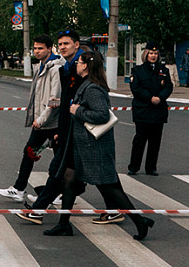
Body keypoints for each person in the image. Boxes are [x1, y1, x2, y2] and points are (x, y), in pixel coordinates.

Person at [43, 52, 155, 240]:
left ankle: (140, 221)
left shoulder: (93, 88)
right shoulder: (86, 85)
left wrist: (78, 110)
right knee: (69, 179)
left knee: (109, 187)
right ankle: (63, 224)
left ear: (86, 66)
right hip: (82, 145)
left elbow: (102, 115)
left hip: (94, 147)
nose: (77, 65)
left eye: (79, 62)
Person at [18, 30, 85, 224]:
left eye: (67, 44)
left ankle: (40, 209)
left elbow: (61, 99)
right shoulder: (68, 67)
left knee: (65, 171)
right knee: (64, 172)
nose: (63, 47)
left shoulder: (72, 68)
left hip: (75, 129)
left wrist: (46, 120)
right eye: (61, 44)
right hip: (66, 127)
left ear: (77, 45)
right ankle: (57, 219)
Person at [0, 34, 64, 204]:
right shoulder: (41, 66)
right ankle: (22, 189)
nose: (37, 51)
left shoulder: (55, 68)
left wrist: (40, 119)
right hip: (44, 121)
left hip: (50, 122)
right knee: (36, 153)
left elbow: (55, 98)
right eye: (35, 48)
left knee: (48, 156)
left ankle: (27, 190)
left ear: (50, 48)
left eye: (41, 48)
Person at [127, 43, 173, 176]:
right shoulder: (138, 70)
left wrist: (160, 97)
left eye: (156, 53)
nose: (153, 56)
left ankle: (151, 167)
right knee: (140, 140)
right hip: (143, 110)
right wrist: (150, 97)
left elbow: (168, 87)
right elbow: (136, 88)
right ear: (146, 54)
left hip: (158, 110)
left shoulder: (164, 70)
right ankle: (134, 167)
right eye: (151, 53)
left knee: (155, 141)